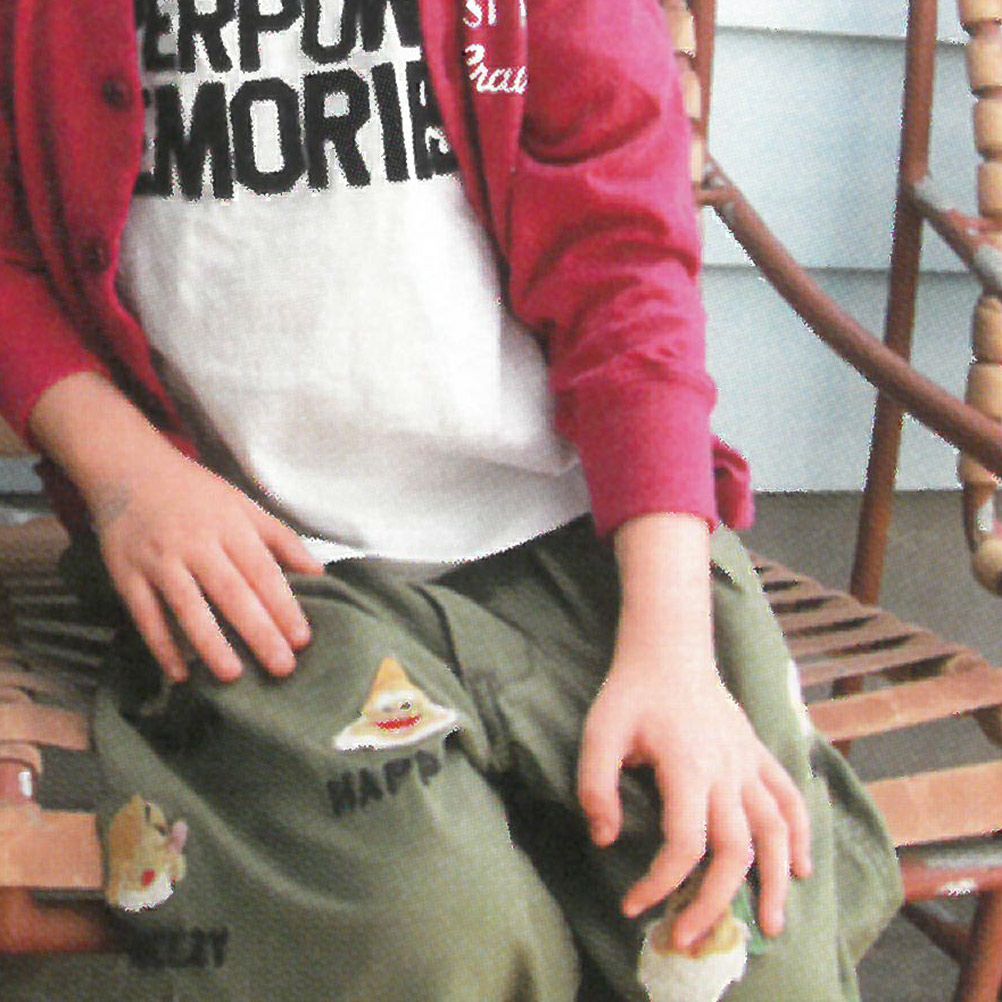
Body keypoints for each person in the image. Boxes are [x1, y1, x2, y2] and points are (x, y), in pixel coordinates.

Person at [0, 0, 902, 998]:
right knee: (432, 933)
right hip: (261, 571)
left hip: (590, 544)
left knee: (745, 935)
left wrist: (676, 650)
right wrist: (127, 474)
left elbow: (625, 266)